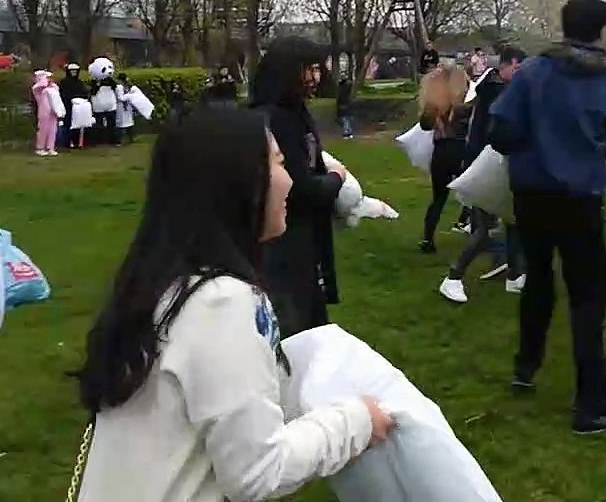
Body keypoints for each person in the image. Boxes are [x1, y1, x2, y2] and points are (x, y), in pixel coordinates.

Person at [72, 107, 394, 502]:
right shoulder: (221, 303)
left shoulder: (163, 281)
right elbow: (257, 470)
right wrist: (357, 421)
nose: (290, 180)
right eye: (277, 163)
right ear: (239, 183)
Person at [488, 0, 606, 435]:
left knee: (539, 281)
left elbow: (501, 131)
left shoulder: (532, 73)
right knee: (588, 299)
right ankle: (592, 405)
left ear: (563, 25)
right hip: (581, 197)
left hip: (532, 194)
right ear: (601, 30)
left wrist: (533, 143)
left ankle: (526, 366)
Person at [248, 37, 347, 337]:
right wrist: (336, 179)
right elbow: (298, 188)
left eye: (318, 70)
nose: (316, 78)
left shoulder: (296, 114)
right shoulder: (276, 120)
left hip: (303, 244)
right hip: (284, 246)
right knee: (297, 331)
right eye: (309, 70)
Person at [438, 47, 527, 303]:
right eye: (518, 68)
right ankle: (452, 278)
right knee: (483, 228)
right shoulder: (498, 90)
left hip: (495, 163)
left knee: (513, 222)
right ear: (508, 65)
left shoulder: (494, 87)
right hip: (486, 165)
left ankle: (514, 275)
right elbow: (497, 131)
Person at [416, 65, 470, 255]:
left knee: (438, 198)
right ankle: (473, 228)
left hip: (440, 153)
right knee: (474, 193)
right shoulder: (462, 108)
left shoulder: (433, 109)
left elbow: (424, 126)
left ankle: (427, 238)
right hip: (459, 151)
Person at [32, 70, 63, 156]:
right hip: (43, 112)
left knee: (52, 129)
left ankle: (50, 147)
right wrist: (44, 79)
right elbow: (41, 85)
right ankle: (40, 148)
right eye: (47, 78)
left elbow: (57, 91)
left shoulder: (53, 88)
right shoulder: (38, 89)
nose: (49, 80)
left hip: (53, 111)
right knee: (43, 129)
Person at [60, 63, 88, 149]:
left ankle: (78, 142)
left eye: (75, 71)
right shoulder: (64, 82)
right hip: (68, 106)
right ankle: (68, 142)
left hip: (79, 107)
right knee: (68, 124)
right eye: (72, 71)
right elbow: (63, 94)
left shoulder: (79, 82)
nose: (74, 72)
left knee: (78, 125)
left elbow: (84, 93)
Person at [115, 73, 137, 144]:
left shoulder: (125, 86)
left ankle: (129, 139)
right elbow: (120, 97)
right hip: (122, 106)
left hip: (125, 106)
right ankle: (120, 140)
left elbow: (121, 97)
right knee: (121, 123)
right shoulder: (121, 87)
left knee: (127, 122)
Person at [336, 74, 354, 140]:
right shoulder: (348, 85)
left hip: (344, 104)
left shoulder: (342, 87)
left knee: (345, 119)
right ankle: (349, 132)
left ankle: (346, 132)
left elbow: (339, 97)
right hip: (347, 103)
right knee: (347, 119)